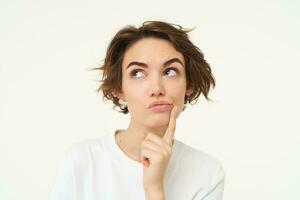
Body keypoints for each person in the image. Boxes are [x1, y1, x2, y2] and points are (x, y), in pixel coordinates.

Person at [50, 21, 225, 200]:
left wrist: (154, 189)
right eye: (137, 73)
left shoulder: (207, 172)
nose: (156, 88)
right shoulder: (81, 161)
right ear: (119, 89)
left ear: (189, 84)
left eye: (170, 71)